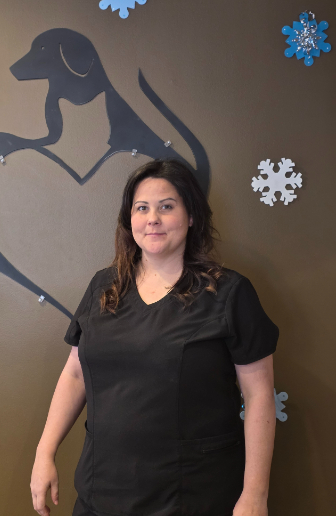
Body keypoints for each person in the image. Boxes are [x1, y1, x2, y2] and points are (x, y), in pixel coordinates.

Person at [30, 159, 279, 516]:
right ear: (129, 218)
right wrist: (45, 452)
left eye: (166, 207)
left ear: (191, 216)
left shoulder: (229, 293)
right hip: (102, 493)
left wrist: (255, 494)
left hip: (193, 497)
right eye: (142, 208)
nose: (153, 219)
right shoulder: (104, 286)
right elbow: (74, 373)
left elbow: (259, 396)